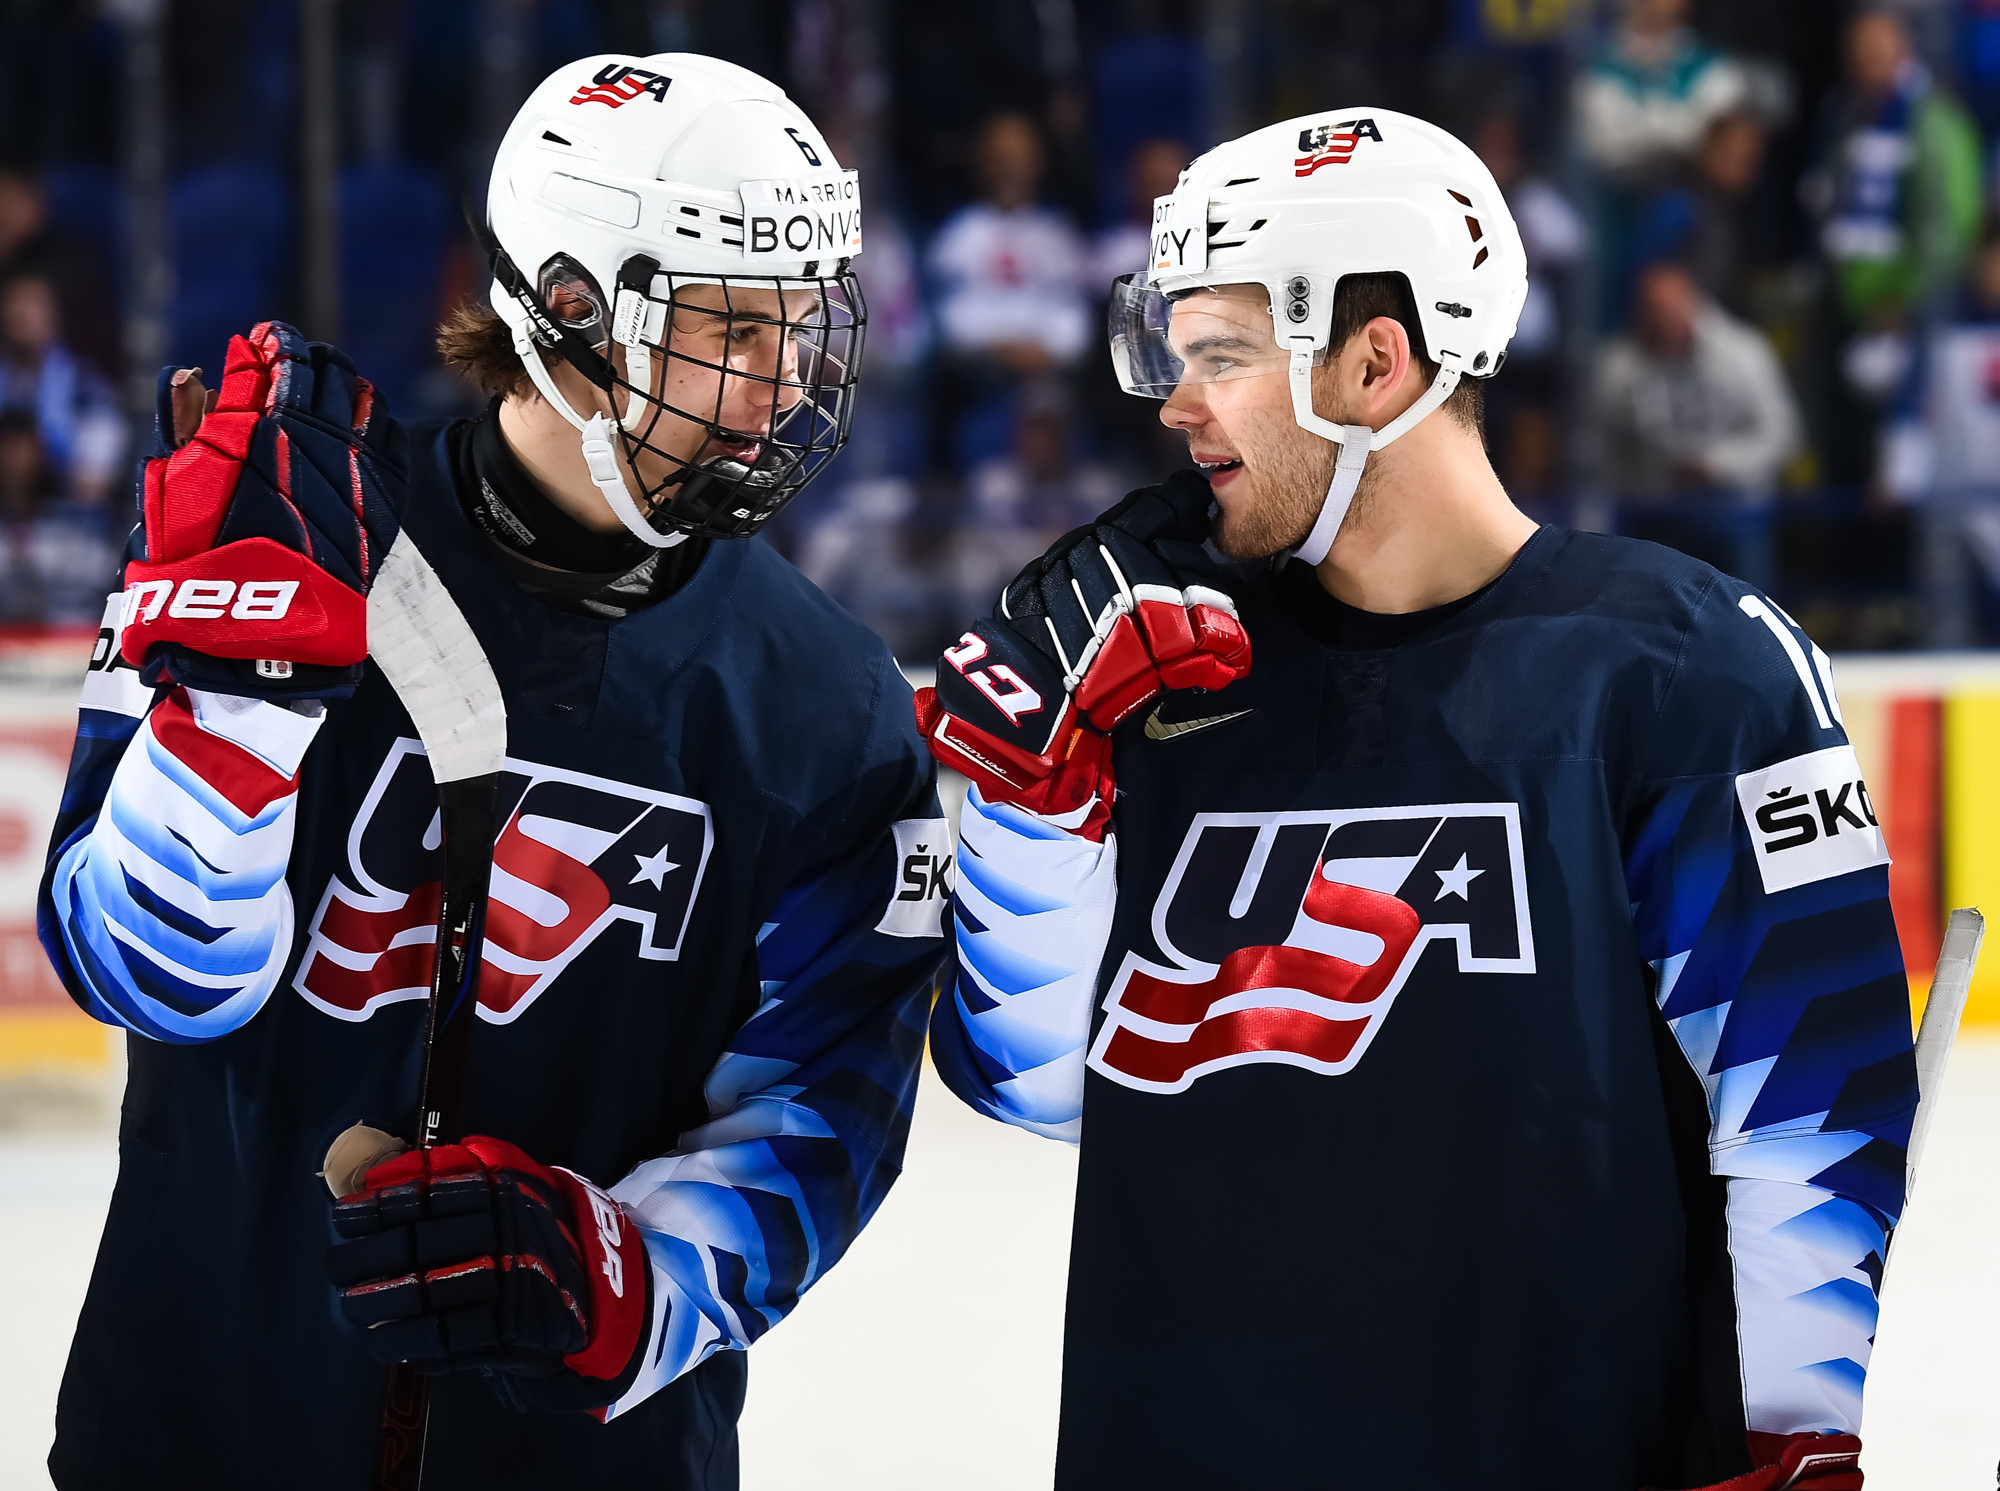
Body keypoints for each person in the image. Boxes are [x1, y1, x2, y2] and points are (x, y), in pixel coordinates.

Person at [916, 107, 1911, 1491]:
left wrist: (1795, 1436)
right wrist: (1036, 807)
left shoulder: (1687, 667)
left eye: (1222, 356)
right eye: (1174, 355)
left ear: (1375, 364)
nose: (1175, 406)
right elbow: (1030, 1088)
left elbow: (1806, 1102)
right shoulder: (1148, 665)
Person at [37, 52, 947, 1489]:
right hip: (198, 1420)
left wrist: (622, 1275)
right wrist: (235, 713)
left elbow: (821, 1109)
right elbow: (139, 973)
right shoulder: (279, 528)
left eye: (803, 324)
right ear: (570, 306)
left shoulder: (828, 703)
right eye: (732, 324)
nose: (783, 385)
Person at [1592, 260, 1800, 588]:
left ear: (1692, 303)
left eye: (1667, 310)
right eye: (1651, 311)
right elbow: (1603, 446)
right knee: (1660, 612)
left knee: (1744, 611)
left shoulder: (1744, 353)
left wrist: (1717, 465)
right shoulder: (1618, 366)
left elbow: (1781, 433)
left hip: (1737, 513)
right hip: (1658, 516)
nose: (1660, 320)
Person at [0, 270, 125, 504]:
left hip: (64, 512)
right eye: (13, 303)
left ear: (54, 314)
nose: (20, 313)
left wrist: (39, 464)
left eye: (32, 303)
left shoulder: (85, 384)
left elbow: (96, 480)